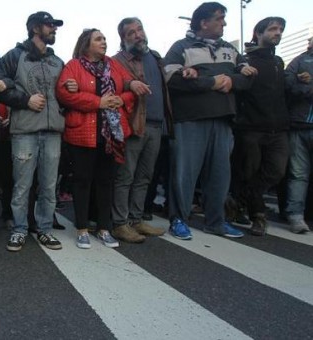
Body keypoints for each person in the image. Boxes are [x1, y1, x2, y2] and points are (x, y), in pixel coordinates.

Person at [163, 2, 255, 240]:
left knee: (220, 175)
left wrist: (233, 82)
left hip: (223, 120)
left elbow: (247, 77)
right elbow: (171, 79)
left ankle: (216, 221)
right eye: (219, 18)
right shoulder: (181, 47)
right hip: (190, 120)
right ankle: (179, 219)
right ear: (203, 22)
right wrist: (211, 82)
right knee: (185, 174)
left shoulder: (231, 50)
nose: (223, 23)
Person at [56, 28, 135, 248]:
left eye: (104, 39)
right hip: (83, 133)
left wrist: (121, 98)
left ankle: (103, 227)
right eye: (98, 39)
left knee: (105, 181)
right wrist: (97, 102)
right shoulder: (74, 65)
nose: (104, 42)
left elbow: (130, 87)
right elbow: (64, 93)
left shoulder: (113, 65)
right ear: (86, 44)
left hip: (110, 134)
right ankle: (82, 228)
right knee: (82, 181)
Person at [0, 11, 65, 252]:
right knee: (22, 186)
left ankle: (45, 230)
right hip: (24, 131)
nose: (54, 29)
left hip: (53, 131)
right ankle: (19, 230)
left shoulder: (57, 61)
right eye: (50, 25)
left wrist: (71, 88)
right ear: (35, 28)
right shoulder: (14, 56)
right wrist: (25, 100)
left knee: (48, 186)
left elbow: (65, 96)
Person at [110, 17, 171, 243]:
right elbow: (112, 83)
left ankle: (136, 220)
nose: (138, 35)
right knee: (126, 176)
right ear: (123, 38)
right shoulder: (117, 60)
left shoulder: (155, 57)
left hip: (156, 125)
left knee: (145, 176)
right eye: (131, 33)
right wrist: (129, 84)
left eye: (140, 29)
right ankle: (120, 223)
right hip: (133, 125)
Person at [232, 17, 289, 236]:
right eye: (273, 29)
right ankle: (258, 215)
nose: (278, 33)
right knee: (249, 171)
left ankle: (241, 200)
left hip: (278, 128)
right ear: (258, 33)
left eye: (281, 29)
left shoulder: (279, 62)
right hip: (252, 128)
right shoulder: (245, 61)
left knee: (276, 171)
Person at [284, 36, 313, 234]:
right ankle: (295, 215)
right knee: (298, 174)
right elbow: (287, 83)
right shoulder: (300, 60)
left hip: (300, 123)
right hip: (300, 125)